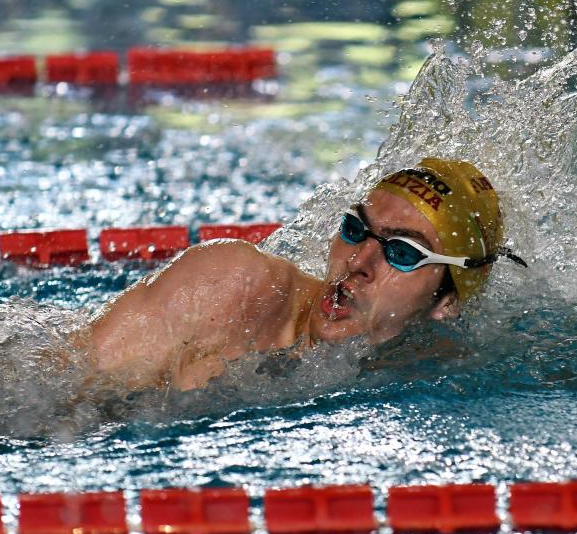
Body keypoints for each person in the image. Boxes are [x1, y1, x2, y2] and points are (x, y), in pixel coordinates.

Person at [72, 157, 527, 392]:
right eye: (355, 230)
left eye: (403, 252)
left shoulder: (443, 375)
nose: (359, 262)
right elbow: (56, 385)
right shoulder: (231, 284)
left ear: (446, 301)